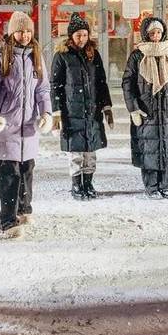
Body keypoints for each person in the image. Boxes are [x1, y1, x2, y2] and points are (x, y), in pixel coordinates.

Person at [0, 11, 51, 238]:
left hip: (28, 125)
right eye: (20, 31)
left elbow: (42, 90)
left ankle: (24, 209)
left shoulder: (36, 57)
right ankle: (8, 221)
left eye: (28, 30)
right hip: (7, 124)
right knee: (9, 174)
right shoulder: (1, 56)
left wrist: (46, 113)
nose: (25, 35)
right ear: (13, 32)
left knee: (27, 169)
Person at [51, 12, 114, 200]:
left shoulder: (93, 55)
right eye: (78, 35)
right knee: (76, 152)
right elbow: (55, 85)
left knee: (90, 151)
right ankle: (76, 185)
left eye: (85, 34)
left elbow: (101, 82)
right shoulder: (62, 56)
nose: (82, 38)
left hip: (92, 111)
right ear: (71, 36)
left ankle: (88, 183)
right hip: (72, 112)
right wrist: (56, 112)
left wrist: (107, 107)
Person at [122, 17, 168, 199]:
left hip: (166, 109)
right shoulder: (137, 55)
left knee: (164, 146)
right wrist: (133, 109)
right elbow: (128, 83)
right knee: (148, 148)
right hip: (146, 110)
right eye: (152, 33)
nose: (156, 36)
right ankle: (151, 186)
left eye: (158, 32)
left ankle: (164, 185)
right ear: (146, 34)